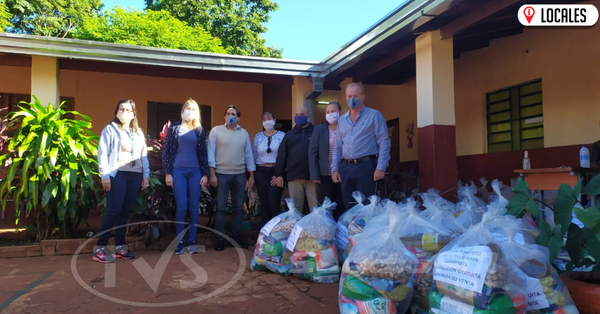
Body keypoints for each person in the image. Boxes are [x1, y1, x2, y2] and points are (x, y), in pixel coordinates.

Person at [95, 99, 150, 263]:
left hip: (134, 176)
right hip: (116, 174)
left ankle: (120, 247)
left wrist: (145, 174)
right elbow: (102, 153)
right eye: (121, 109)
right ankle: (100, 249)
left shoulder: (138, 132)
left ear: (133, 113)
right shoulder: (110, 129)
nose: (123, 112)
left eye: (127, 110)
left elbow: (143, 154)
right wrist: (104, 175)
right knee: (113, 211)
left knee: (125, 212)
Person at [331, 83, 391, 210]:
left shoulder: (374, 115)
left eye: (356, 96)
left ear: (363, 97)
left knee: (367, 206)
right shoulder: (341, 120)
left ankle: (366, 230)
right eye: (349, 96)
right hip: (346, 168)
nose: (352, 99)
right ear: (345, 98)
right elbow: (337, 147)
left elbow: (384, 142)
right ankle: (353, 230)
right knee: (348, 205)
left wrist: (381, 167)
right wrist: (334, 169)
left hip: (366, 167)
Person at [162, 99, 209, 255]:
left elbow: (203, 154)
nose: (189, 111)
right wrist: (168, 173)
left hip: (195, 172)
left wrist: (205, 174)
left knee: (194, 208)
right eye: (187, 108)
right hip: (178, 171)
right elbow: (167, 152)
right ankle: (180, 243)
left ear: (197, 113)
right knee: (181, 206)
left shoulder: (199, 130)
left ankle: (192, 242)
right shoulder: (174, 129)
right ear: (182, 110)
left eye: (192, 109)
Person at [207, 105, 255, 251]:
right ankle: (220, 240)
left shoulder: (244, 133)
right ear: (224, 116)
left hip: (240, 175)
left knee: (238, 209)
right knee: (220, 208)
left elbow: (248, 154)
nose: (230, 115)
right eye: (228, 113)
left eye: (233, 113)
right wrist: (212, 174)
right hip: (221, 174)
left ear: (238, 118)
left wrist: (251, 175)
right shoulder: (216, 131)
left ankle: (235, 238)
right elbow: (210, 152)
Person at [274, 107, 319, 214]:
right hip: (294, 177)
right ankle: (297, 231)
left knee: (315, 209)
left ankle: (316, 230)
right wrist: (279, 174)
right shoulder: (289, 135)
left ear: (308, 116)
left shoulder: (316, 132)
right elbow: (282, 156)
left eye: (302, 114)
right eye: (297, 114)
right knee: (295, 211)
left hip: (312, 178)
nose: (299, 117)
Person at [309, 101, 346, 221]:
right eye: (328, 112)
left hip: (344, 172)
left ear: (340, 112)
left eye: (333, 111)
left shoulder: (346, 128)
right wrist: (315, 174)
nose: (330, 114)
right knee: (326, 206)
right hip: (325, 174)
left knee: (342, 204)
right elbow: (313, 152)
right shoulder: (320, 129)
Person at [252, 112, 285, 225]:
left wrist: (280, 174)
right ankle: (265, 234)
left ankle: (276, 231)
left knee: (274, 203)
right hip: (261, 171)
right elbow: (254, 156)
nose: (267, 121)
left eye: (269, 118)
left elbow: (285, 156)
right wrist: (252, 175)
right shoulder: (258, 137)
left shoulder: (282, 136)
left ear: (274, 120)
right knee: (264, 204)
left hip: (276, 171)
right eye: (264, 119)